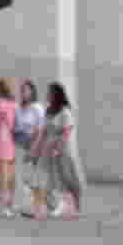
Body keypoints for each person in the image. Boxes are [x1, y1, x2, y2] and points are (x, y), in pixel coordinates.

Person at [27, 82, 83, 220]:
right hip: (48, 148)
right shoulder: (48, 111)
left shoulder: (65, 112)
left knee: (68, 179)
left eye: (50, 93)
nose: (47, 95)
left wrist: (58, 148)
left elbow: (67, 132)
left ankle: (76, 206)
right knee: (39, 178)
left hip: (63, 149)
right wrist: (34, 151)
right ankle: (38, 210)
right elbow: (43, 132)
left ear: (57, 95)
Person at [12, 79, 48, 216]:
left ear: (32, 91)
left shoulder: (37, 108)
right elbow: (16, 127)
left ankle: (41, 207)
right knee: (25, 178)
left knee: (36, 178)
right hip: (21, 144)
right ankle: (28, 207)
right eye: (22, 90)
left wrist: (34, 148)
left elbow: (40, 129)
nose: (23, 92)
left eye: (26, 90)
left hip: (35, 145)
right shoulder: (19, 108)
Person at [0, 79, 18, 217]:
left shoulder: (1, 104)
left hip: (3, 140)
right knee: (11, 175)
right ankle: (11, 205)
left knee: (3, 176)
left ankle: (5, 206)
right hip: (13, 140)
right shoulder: (14, 103)